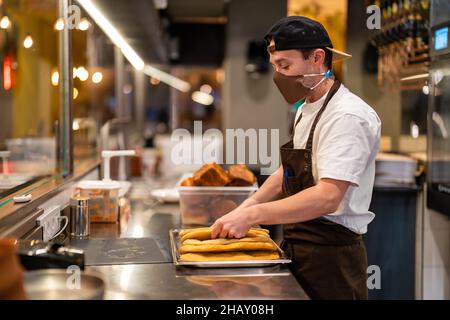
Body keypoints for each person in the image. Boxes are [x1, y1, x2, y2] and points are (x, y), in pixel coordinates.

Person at [211, 16, 381, 300]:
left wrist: (254, 215)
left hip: (332, 261)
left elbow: (328, 197)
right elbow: (286, 171)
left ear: (317, 58)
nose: (278, 75)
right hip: (298, 247)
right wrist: (248, 205)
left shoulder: (347, 116)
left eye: (285, 66)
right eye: (275, 66)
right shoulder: (306, 108)